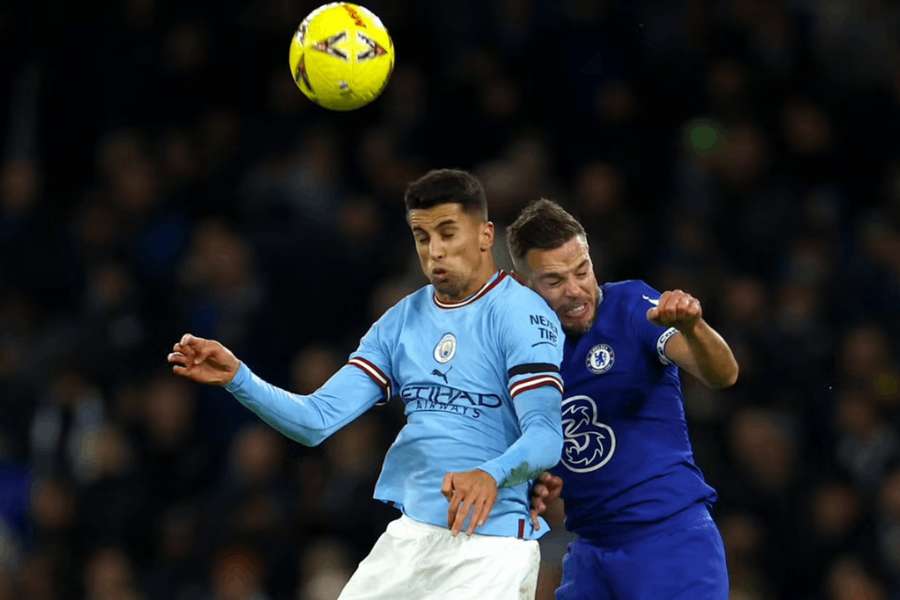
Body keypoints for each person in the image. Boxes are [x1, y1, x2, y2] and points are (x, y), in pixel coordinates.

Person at [167, 170, 566, 599]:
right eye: (422, 236)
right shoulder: (400, 323)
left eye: (448, 233)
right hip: (410, 539)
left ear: (486, 235)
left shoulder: (523, 314)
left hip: (490, 547)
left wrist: (491, 474)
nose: (435, 251)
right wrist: (237, 378)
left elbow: (545, 434)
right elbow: (315, 420)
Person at [506, 199, 739, 600]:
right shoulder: (522, 355)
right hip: (591, 552)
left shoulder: (631, 308)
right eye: (555, 281)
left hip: (669, 542)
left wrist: (694, 327)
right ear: (524, 285)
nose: (576, 290)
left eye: (582, 270)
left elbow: (722, 374)